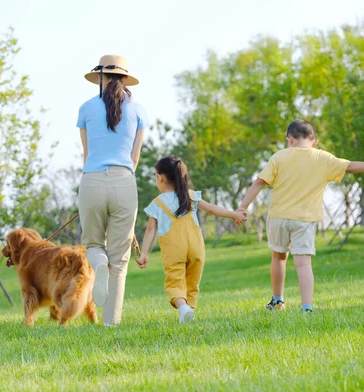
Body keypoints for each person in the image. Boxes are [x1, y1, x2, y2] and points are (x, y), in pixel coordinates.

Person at [238, 120, 364, 312]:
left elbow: (259, 182)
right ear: (314, 141)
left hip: (278, 217)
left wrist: (243, 207)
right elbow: (351, 166)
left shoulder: (279, 157)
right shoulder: (322, 158)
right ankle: (306, 307)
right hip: (305, 220)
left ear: (289, 140)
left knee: (278, 257)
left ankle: (277, 300)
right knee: (303, 263)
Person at [77, 55, 148, 326]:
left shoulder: (85, 108)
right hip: (124, 182)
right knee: (120, 260)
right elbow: (134, 159)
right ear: (124, 79)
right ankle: (111, 325)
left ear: (101, 78)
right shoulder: (139, 110)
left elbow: (87, 155)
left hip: (92, 180)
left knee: (94, 245)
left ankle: (99, 264)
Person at [136, 156, 246, 324]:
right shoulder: (191, 196)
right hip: (196, 247)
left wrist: (144, 253)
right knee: (192, 282)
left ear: (161, 178)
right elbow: (212, 209)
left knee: (175, 282)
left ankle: (183, 308)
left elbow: (151, 229)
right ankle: (188, 313)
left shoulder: (158, 202)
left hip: (174, 250)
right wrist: (233, 214)